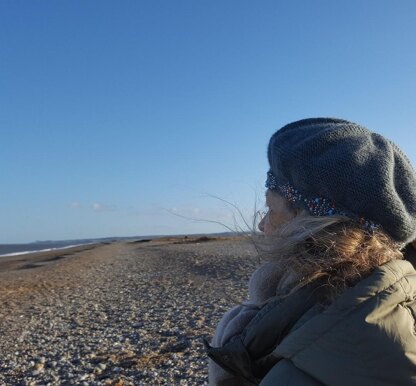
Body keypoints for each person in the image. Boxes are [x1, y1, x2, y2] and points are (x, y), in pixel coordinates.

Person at [205, 118, 416, 386]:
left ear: (312, 228)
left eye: (271, 209)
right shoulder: (386, 298)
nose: (262, 225)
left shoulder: (304, 366)